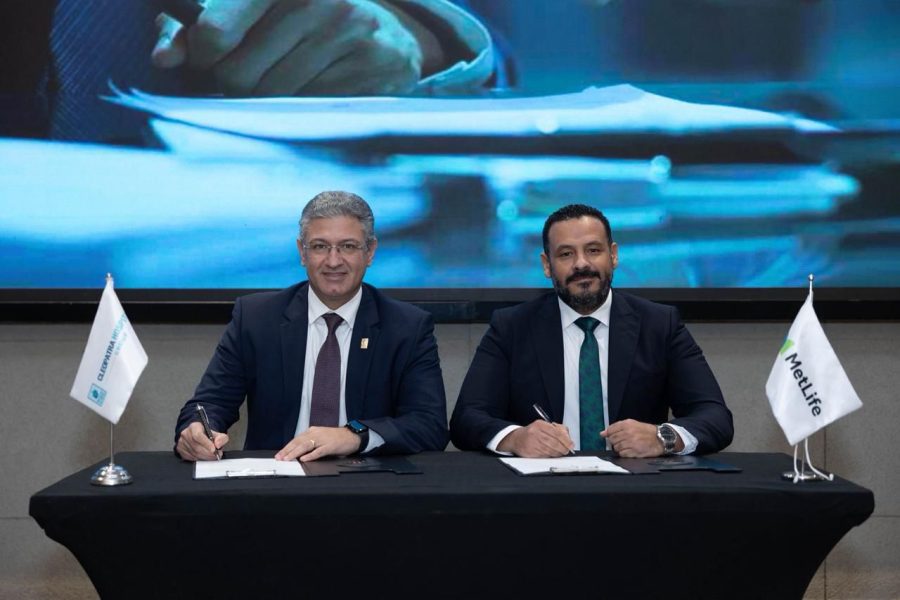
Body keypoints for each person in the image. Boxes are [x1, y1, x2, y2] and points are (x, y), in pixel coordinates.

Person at [175, 190, 449, 461]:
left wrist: (354, 435)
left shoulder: (407, 327)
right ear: (302, 252)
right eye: (319, 246)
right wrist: (197, 431)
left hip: (367, 479)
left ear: (370, 252)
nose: (333, 261)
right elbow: (209, 403)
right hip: (277, 475)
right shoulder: (257, 318)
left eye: (348, 246)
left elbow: (429, 425)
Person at [450, 203, 733, 458]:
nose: (581, 264)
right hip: (540, 486)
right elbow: (466, 418)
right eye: (566, 254)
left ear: (613, 255)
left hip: (635, 487)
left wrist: (663, 438)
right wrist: (515, 438)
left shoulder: (659, 324)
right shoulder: (512, 327)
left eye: (593, 250)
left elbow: (715, 417)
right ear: (547, 265)